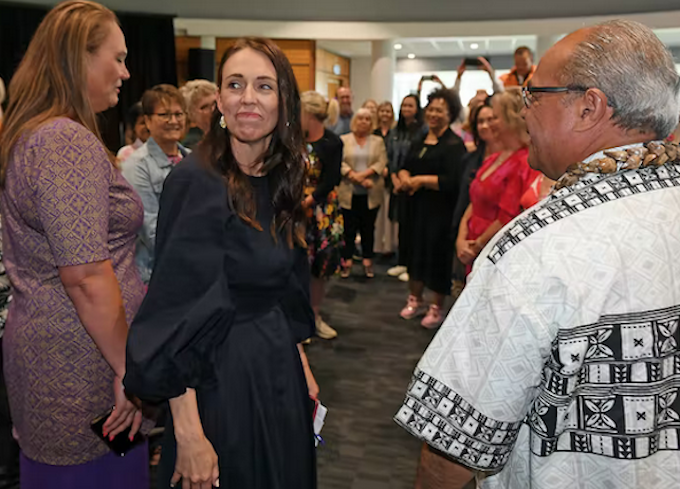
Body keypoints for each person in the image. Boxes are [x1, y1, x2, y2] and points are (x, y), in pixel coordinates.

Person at [396, 20, 680, 489]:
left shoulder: (539, 245)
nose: (524, 112)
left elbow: (452, 446)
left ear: (589, 107)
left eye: (535, 95)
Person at [124, 37, 318, 489]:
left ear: (284, 101)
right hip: (219, 381)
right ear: (220, 100)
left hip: (276, 369)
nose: (248, 97)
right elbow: (176, 315)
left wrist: (299, 360)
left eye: (264, 86)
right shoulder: (196, 182)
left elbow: (282, 284)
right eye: (236, 84)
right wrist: (190, 433)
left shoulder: (280, 176)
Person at [0, 2, 147, 488]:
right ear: (77, 58)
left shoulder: (36, 133)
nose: (125, 72)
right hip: (83, 364)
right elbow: (85, 277)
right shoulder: (63, 140)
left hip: (64, 354)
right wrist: (130, 370)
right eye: (117, 57)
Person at [396, 88, 467, 328]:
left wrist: (420, 181)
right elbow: (405, 165)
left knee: (437, 257)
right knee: (413, 253)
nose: (434, 114)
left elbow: (452, 181)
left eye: (440, 110)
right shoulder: (420, 138)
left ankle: (437, 307)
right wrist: (405, 177)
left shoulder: (454, 144)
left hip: (440, 211)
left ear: (451, 115)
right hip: (415, 208)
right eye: (432, 109)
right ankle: (415, 299)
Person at [456, 89, 539, 274]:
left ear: (511, 120)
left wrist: (476, 246)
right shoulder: (495, 158)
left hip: (492, 248)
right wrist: (461, 238)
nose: (489, 124)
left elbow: (507, 217)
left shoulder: (524, 162)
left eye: (495, 117)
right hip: (474, 243)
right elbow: (474, 200)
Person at [121, 84, 191, 284]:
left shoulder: (194, 159)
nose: (173, 121)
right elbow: (150, 230)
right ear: (148, 121)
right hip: (155, 275)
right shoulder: (136, 165)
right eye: (165, 115)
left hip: (192, 269)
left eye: (179, 114)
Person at [300, 91, 344, 340]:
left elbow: (331, 180)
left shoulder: (332, 142)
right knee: (298, 264)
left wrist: (308, 200)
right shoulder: (292, 139)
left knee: (320, 267)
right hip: (296, 210)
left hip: (322, 211)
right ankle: (299, 318)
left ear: (310, 114)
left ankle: (314, 317)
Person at [338, 108, 387, 279]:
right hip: (348, 191)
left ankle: (368, 261)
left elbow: (381, 162)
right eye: (360, 118)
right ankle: (347, 261)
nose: (364, 121)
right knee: (349, 230)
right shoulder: (343, 140)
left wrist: (364, 176)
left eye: (367, 119)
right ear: (354, 121)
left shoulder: (378, 141)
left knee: (368, 229)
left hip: (370, 190)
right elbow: (340, 162)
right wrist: (355, 177)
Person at [387, 94, 425, 281]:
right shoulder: (396, 130)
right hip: (397, 182)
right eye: (404, 105)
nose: (406, 109)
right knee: (401, 223)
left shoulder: (422, 131)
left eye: (410, 106)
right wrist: (395, 177)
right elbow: (390, 155)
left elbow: (417, 159)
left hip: (413, 183)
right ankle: (401, 262)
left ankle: (411, 266)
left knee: (413, 225)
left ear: (417, 108)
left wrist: (405, 180)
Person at [373, 101, 398, 256]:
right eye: (382, 111)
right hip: (375, 178)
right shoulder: (373, 133)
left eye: (388, 111)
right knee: (377, 216)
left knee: (389, 215)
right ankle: (377, 246)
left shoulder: (395, 133)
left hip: (391, 178)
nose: (385, 114)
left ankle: (389, 246)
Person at [180, 79, 217, 149]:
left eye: (215, 103)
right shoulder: (191, 147)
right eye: (204, 107)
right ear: (191, 117)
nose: (213, 109)